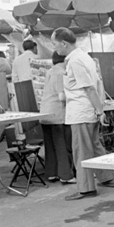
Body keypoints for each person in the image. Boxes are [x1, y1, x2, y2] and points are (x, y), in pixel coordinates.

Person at [51, 28, 114, 201]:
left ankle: (86, 188)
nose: (54, 48)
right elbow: (94, 85)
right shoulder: (84, 57)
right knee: (94, 146)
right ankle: (107, 177)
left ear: (63, 43)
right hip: (88, 109)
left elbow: (88, 87)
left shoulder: (75, 61)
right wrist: (98, 109)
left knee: (81, 150)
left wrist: (99, 110)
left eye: (55, 44)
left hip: (81, 111)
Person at [39, 51, 75, 184]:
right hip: (57, 114)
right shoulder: (61, 73)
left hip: (45, 113)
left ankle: (52, 173)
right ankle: (66, 176)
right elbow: (62, 97)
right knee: (62, 146)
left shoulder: (50, 72)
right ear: (65, 60)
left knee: (50, 146)